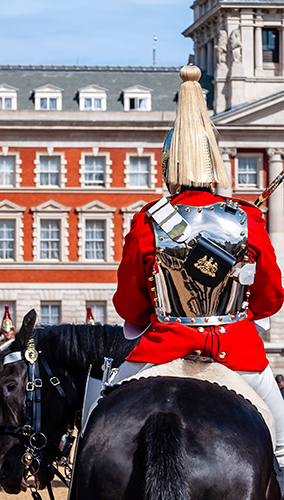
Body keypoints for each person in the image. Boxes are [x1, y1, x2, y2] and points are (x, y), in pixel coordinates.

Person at [112, 65, 284, 484]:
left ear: (168, 163)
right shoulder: (245, 219)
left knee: (102, 411)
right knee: (281, 441)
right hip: (237, 353)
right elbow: (271, 297)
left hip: (161, 348)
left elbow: (128, 303)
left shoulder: (150, 221)